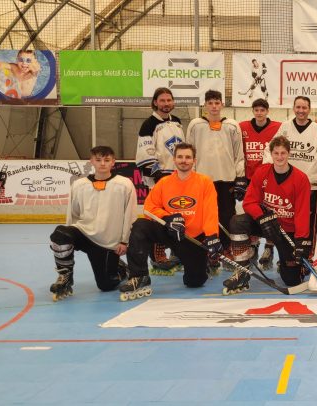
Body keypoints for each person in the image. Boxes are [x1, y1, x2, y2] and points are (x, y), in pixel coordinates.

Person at [121, 143, 220, 300]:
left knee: (195, 281)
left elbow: (210, 211)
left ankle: (198, 264)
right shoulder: (164, 182)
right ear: (174, 159)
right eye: (180, 157)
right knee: (141, 226)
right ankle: (139, 276)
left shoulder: (204, 182)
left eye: (188, 157)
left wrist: (212, 235)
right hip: (169, 233)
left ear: (194, 160)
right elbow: (149, 208)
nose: (184, 160)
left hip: (191, 238)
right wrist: (167, 217)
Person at [48, 146, 136, 301]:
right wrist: (68, 239)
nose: (102, 163)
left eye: (107, 160)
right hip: (84, 233)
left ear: (113, 162)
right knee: (60, 234)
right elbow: (73, 214)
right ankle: (65, 277)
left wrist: (124, 241)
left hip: (108, 243)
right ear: (91, 161)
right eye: (98, 160)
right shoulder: (79, 185)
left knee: (106, 285)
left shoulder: (124, 184)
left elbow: (130, 214)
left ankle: (121, 269)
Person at [226, 136, 312, 291]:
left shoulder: (301, 179)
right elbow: (249, 202)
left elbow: (302, 212)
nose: (279, 157)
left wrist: (301, 240)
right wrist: (262, 217)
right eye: (276, 153)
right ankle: (242, 270)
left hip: (286, 229)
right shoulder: (262, 173)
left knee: (291, 280)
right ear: (271, 154)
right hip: (265, 224)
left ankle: (296, 266)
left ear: (289, 154)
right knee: (237, 222)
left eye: (283, 153)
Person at [185, 89, 245, 268]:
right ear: (205, 105)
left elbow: (238, 154)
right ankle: (208, 251)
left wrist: (240, 177)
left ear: (222, 105)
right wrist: (190, 176)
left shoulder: (232, 125)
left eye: (217, 102)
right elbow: (190, 152)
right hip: (203, 180)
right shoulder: (195, 125)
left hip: (226, 178)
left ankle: (226, 249)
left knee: (227, 215)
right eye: (210, 103)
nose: (213, 106)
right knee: (204, 217)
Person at [263, 95, 317, 242]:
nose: (301, 110)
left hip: (311, 184)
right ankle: (287, 250)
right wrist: (267, 166)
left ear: (309, 109)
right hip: (288, 182)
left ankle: (308, 251)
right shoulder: (285, 126)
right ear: (294, 108)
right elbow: (272, 147)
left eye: (304, 107)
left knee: (309, 221)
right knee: (287, 219)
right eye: (298, 107)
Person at [135, 87, 185, 275]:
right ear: (155, 102)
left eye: (169, 100)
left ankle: (177, 252)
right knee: (158, 219)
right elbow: (146, 155)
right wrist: (161, 178)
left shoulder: (178, 122)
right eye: (162, 100)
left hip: (178, 179)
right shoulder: (148, 124)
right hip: (160, 181)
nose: (166, 104)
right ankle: (157, 257)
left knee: (179, 216)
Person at [239, 98, 281, 268]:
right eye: (256, 110)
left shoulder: (277, 127)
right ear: (253, 111)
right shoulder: (242, 127)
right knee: (252, 211)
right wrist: (239, 177)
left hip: (269, 178)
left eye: (262, 110)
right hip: (250, 177)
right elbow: (239, 152)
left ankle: (269, 247)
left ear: (267, 111)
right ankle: (254, 243)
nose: (259, 113)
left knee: (270, 210)